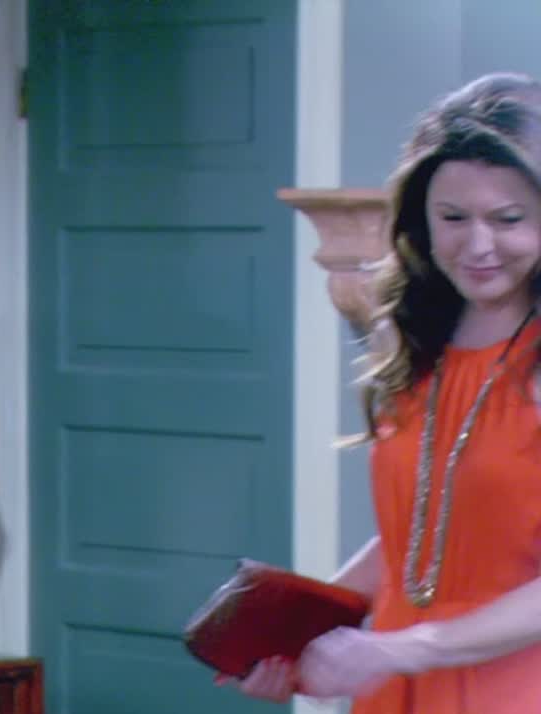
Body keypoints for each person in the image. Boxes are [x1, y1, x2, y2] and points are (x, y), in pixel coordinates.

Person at [220, 72, 541, 713]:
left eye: (508, 219)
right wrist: (302, 632)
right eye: (453, 218)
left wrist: (403, 649)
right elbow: (426, 528)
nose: (478, 245)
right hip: (398, 683)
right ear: (421, 220)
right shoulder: (418, 339)